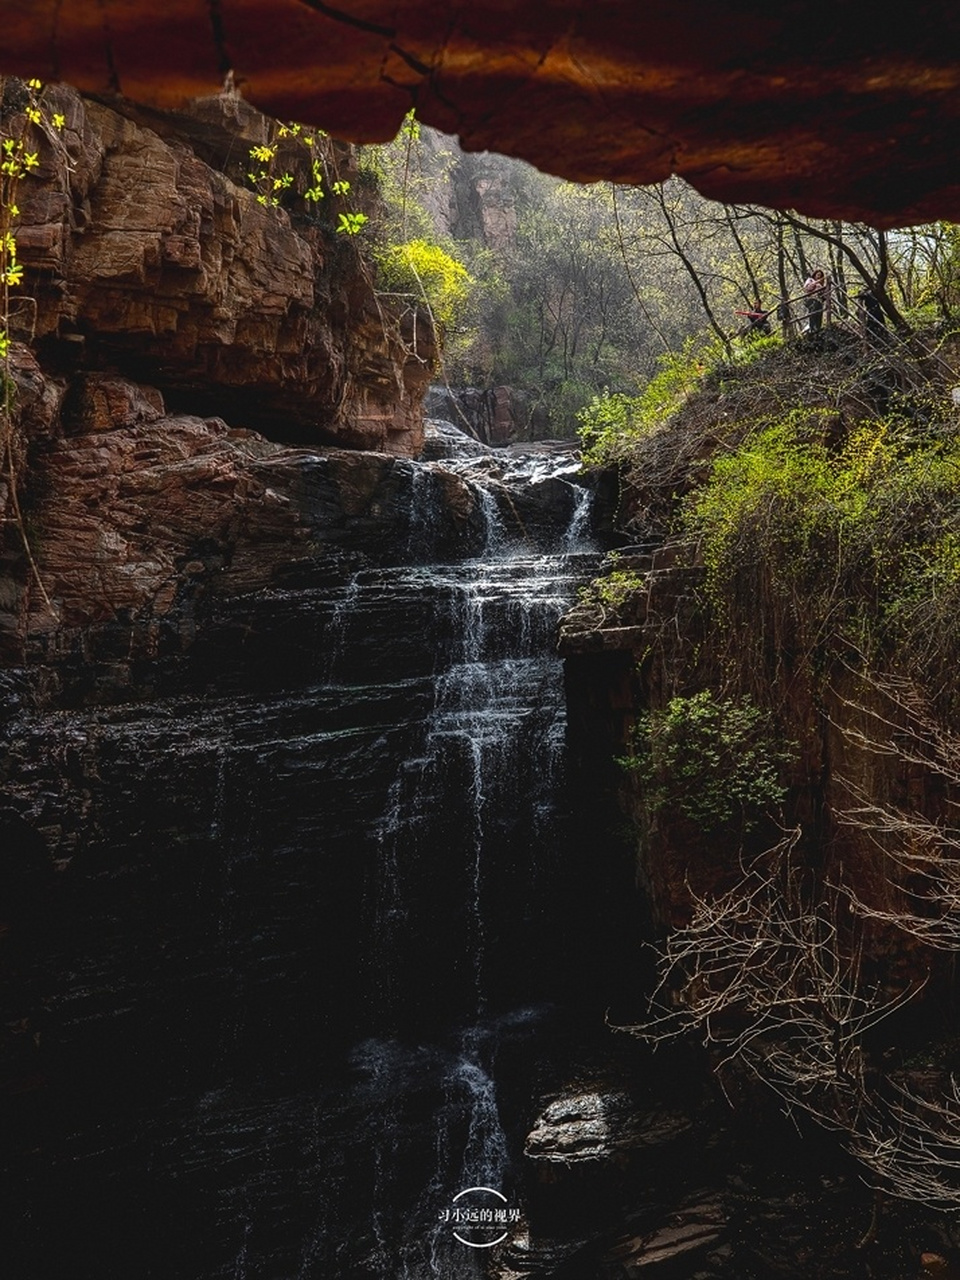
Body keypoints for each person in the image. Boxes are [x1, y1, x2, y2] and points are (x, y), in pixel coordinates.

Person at [803, 268, 829, 332]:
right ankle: (812, 328)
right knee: (813, 313)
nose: (819, 277)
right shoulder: (810, 280)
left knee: (819, 314)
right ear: (814, 275)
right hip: (811, 299)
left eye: (820, 276)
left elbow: (824, 295)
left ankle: (818, 328)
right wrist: (815, 283)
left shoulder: (821, 285)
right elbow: (807, 288)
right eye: (818, 275)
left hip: (819, 301)